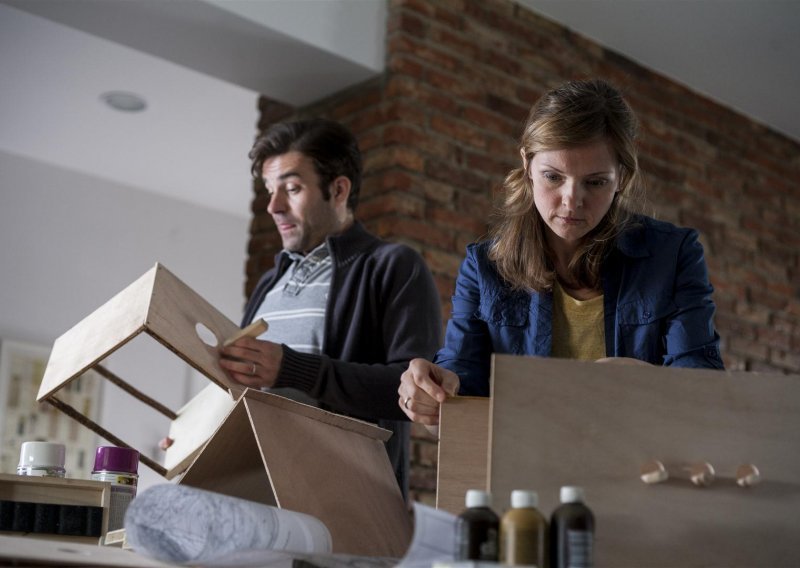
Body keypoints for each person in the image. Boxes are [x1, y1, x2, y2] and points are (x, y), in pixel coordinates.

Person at [397, 78, 724, 428]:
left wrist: (646, 380)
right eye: (553, 177)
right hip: (523, 471)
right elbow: (461, 379)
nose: (572, 201)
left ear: (622, 179)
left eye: (595, 182)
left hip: (640, 467)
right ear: (527, 166)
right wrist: (433, 391)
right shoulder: (484, 266)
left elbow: (703, 384)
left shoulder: (674, 255)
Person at [217, 118, 442, 498]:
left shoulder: (392, 266)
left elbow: (412, 392)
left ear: (338, 189)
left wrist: (292, 368)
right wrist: (207, 432)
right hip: (253, 490)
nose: (273, 206)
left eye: (291, 188)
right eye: (270, 190)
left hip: (345, 501)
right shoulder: (269, 284)